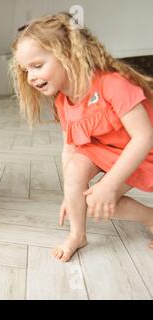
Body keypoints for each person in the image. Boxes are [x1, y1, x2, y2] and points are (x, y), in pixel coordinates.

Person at [11, 12, 153, 262]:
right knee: (77, 169)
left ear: (68, 53)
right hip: (108, 149)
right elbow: (70, 148)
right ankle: (77, 234)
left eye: (37, 65)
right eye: (26, 70)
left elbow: (143, 137)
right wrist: (70, 194)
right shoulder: (63, 101)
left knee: (99, 199)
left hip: (143, 152)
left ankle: (151, 218)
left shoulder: (113, 84)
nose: (31, 77)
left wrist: (108, 186)